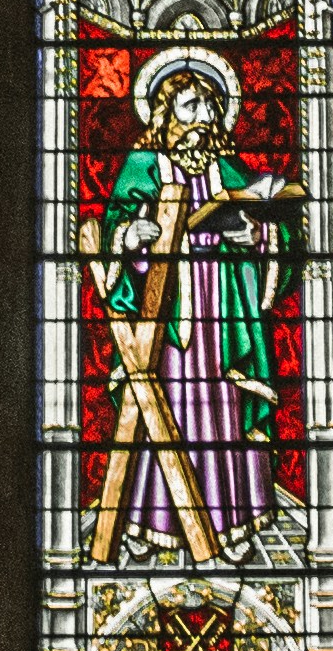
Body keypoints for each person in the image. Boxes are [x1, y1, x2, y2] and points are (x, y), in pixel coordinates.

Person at [75, 49, 301, 567]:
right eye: (190, 106)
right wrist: (133, 233)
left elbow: (270, 227)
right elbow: (115, 226)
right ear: (163, 112)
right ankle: (146, 522)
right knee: (166, 405)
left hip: (221, 305)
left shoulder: (226, 168)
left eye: (209, 108)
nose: (203, 119)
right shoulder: (143, 164)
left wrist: (256, 235)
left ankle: (233, 522)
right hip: (167, 305)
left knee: (222, 411)